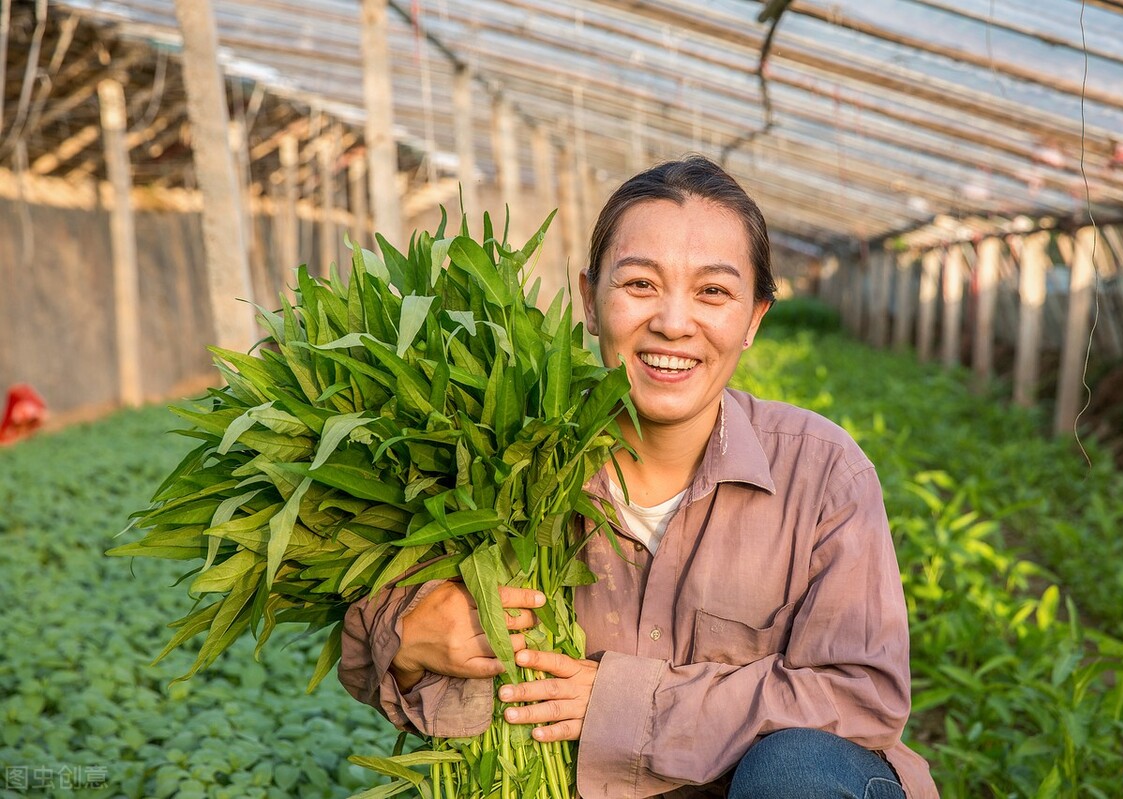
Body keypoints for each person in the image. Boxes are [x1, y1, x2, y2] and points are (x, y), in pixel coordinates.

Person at [339, 156, 938, 799]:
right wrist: (407, 636)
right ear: (590, 301)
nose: (674, 323)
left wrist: (627, 702)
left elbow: (862, 693)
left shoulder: (822, 472)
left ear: (755, 318)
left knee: (796, 777)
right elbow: (379, 641)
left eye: (713, 291)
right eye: (640, 285)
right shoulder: (505, 461)